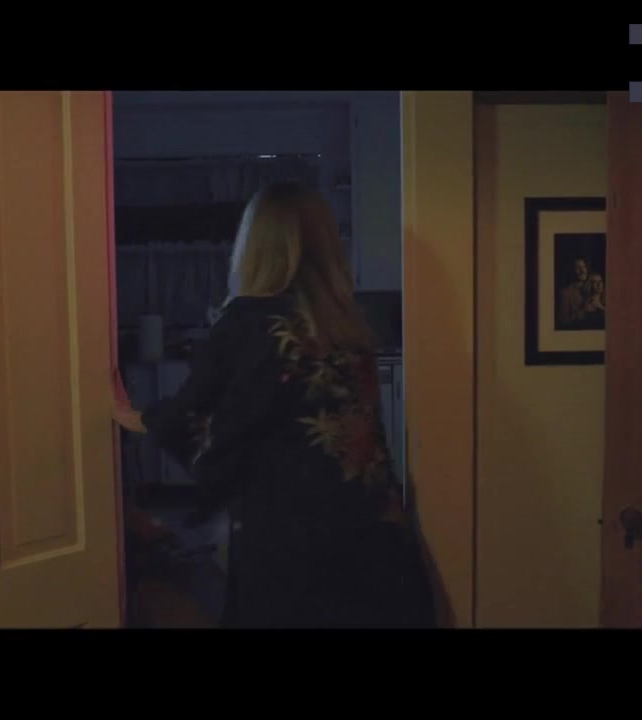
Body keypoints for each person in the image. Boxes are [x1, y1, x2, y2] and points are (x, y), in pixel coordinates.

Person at [112, 182, 435, 628]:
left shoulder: (247, 322)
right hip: (378, 537)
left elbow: (195, 415)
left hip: (294, 548)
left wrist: (133, 417)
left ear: (254, 247)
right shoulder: (345, 326)